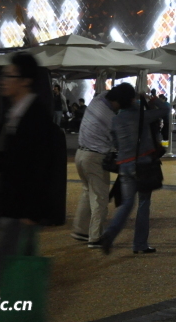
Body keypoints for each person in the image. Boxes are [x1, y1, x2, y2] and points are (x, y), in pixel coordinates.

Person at [0, 53, 67, 286]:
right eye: (3, 75)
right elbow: (24, 159)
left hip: (23, 209)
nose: (3, 80)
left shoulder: (34, 117)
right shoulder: (18, 112)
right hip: (17, 206)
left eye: (9, 75)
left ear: (25, 80)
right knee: (14, 271)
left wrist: (32, 213)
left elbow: (41, 166)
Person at [100, 84, 166, 255]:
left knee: (127, 203)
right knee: (144, 204)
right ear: (131, 98)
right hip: (143, 164)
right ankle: (140, 244)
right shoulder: (141, 116)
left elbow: (114, 142)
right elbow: (166, 109)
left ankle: (110, 233)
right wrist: (151, 98)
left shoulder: (116, 119)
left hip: (124, 165)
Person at [72, 86, 122, 248]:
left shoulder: (97, 100)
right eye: (120, 105)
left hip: (80, 154)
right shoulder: (110, 118)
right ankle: (95, 237)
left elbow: (107, 93)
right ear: (116, 101)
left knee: (88, 192)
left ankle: (80, 230)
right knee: (99, 198)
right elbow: (117, 143)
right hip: (95, 158)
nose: (119, 108)